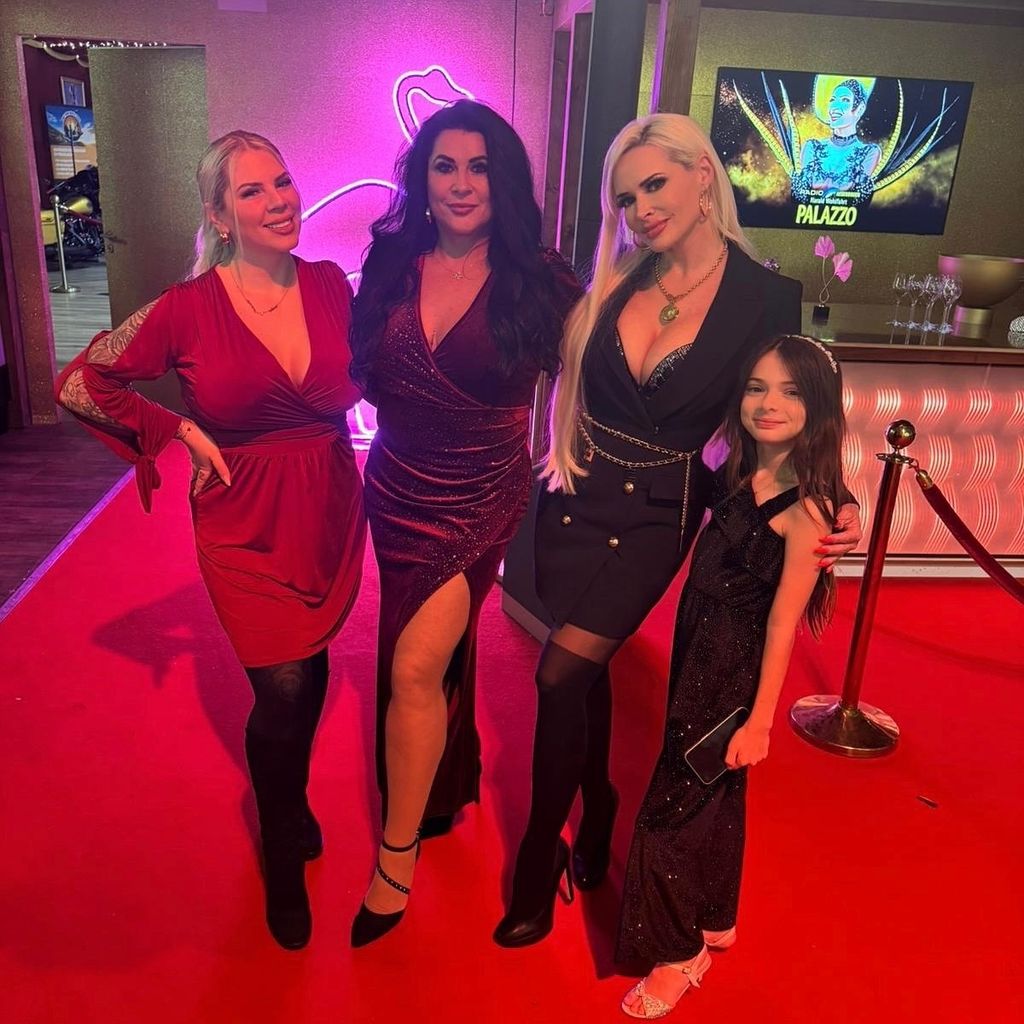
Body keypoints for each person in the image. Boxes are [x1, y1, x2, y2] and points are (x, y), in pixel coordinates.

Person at [493, 113, 861, 947]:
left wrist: (833, 498)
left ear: (703, 177)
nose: (641, 210)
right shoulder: (618, 278)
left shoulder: (767, 297)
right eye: (626, 199)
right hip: (573, 500)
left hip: (658, 513)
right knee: (582, 669)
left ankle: (537, 862)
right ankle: (598, 809)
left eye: (655, 185)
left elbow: (799, 409)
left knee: (558, 675)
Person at [55, 131, 366, 951]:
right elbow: (81, 381)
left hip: (330, 507)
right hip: (243, 520)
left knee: (313, 662)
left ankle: (292, 798)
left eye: (283, 181)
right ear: (220, 216)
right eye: (253, 191)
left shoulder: (330, 284)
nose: (280, 200)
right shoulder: (187, 307)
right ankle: (280, 843)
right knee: (285, 687)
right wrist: (178, 429)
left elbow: (380, 368)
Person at [347, 99, 580, 947]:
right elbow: (352, 365)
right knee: (428, 651)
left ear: (503, 180)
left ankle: (395, 859)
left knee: (413, 664)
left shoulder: (541, 278)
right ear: (422, 177)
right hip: (396, 486)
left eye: (480, 167)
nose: (461, 183)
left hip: (481, 495)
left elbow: (607, 366)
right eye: (444, 165)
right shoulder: (390, 260)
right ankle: (448, 779)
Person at [617, 334, 845, 1017]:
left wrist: (761, 721)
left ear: (819, 407)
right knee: (716, 790)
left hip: (728, 676)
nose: (768, 404)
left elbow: (782, 626)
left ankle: (678, 951)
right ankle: (716, 913)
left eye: (791, 392)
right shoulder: (738, 470)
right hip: (698, 654)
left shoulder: (805, 511)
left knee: (671, 808)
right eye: (756, 388)